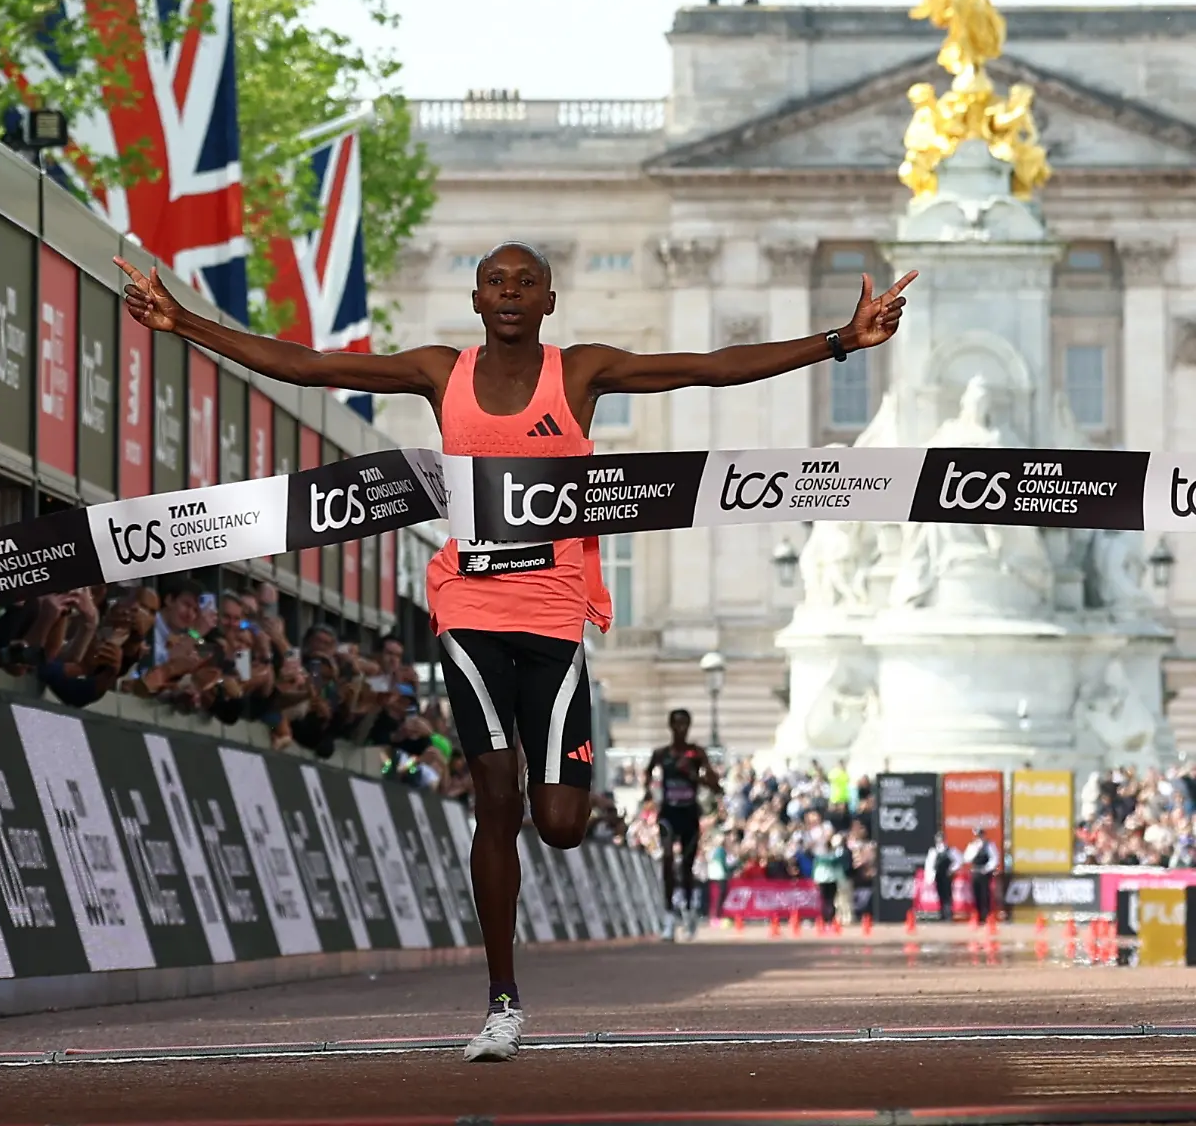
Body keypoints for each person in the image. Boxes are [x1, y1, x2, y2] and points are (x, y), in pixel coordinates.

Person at [116, 240, 914, 1061]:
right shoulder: (439, 372)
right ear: (475, 300)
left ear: (548, 302)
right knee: (495, 800)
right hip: (467, 608)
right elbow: (312, 367)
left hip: (556, 613)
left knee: (560, 823)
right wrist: (183, 323)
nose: (508, 293)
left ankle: (546, 824)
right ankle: (502, 1001)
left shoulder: (581, 374)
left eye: (524, 283)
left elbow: (707, 367)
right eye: (495, 282)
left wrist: (839, 342)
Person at [645, 708, 721, 941]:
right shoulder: (660, 754)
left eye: (684, 724)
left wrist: (693, 775)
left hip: (689, 814)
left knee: (687, 867)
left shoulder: (696, 753)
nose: (680, 728)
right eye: (676, 723)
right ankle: (669, 917)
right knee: (667, 861)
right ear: (670, 726)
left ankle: (688, 912)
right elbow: (647, 780)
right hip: (668, 813)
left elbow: (716, 786)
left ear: (689, 726)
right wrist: (649, 797)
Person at [963, 826, 999, 923]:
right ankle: (978, 915)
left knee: (985, 894)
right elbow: (966, 858)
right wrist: (975, 849)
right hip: (975, 872)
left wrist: (986, 868)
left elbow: (994, 859)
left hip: (985, 873)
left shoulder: (989, 845)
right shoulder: (972, 846)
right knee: (976, 894)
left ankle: (986, 915)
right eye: (977, 836)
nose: (978, 837)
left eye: (980, 835)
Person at [924, 831, 960, 922]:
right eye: (938, 840)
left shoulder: (951, 850)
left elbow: (959, 861)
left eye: (942, 839)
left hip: (947, 876)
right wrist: (930, 877)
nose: (940, 841)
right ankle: (942, 913)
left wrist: (951, 869)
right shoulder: (933, 851)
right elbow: (929, 864)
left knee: (948, 894)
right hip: (938, 875)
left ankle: (948, 914)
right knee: (940, 894)